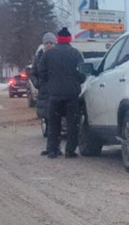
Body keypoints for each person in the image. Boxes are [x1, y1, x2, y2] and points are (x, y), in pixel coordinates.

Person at [37, 27, 86, 159]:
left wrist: (50, 85)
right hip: (72, 95)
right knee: (72, 124)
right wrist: (77, 80)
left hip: (55, 95)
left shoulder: (48, 54)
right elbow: (82, 74)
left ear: (57, 39)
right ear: (69, 39)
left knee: (54, 123)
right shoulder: (76, 54)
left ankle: (53, 150)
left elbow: (41, 72)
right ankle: (70, 150)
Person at [32, 32, 57, 156]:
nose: (49, 45)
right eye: (47, 43)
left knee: (55, 120)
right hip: (44, 93)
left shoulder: (57, 55)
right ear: (43, 44)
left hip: (55, 92)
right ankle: (50, 147)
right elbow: (33, 73)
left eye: (51, 43)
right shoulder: (39, 56)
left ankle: (54, 148)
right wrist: (37, 84)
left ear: (54, 43)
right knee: (48, 120)